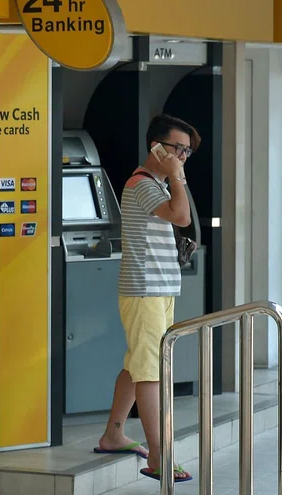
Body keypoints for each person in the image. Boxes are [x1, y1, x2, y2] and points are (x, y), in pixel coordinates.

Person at [95, 114, 200, 484]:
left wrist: (173, 176)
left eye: (187, 151)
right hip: (144, 290)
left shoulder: (158, 184)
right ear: (156, 146)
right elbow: (182, 216)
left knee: (137, 365)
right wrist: (177, 176)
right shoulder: (142, 183)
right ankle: (159, 454)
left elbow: (178, 219)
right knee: (151, 372)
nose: (182, 156)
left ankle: (114, 434)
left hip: (159, 289)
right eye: (177, 148)